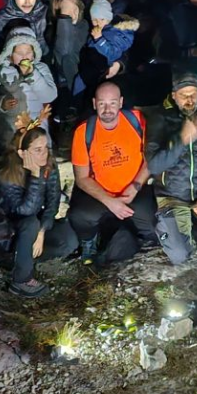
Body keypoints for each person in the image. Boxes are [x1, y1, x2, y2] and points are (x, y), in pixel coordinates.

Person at [67, 82, 158, 264]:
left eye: (112, 103)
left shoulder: (137, 120)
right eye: (102, 103)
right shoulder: (84, 131)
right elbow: (82, 178)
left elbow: (151, 159)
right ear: (94, 104)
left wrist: (135, 186)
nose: (107, 109)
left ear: (121, 102)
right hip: (101, 193)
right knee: (80, 215)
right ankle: (88, 242)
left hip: (134, 189)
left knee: (150, 223)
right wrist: (110, 201)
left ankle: (143, 246)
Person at [145, 71, 197, 265]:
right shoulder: (160, 117)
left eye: (193, 93)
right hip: (172, 196)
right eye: (184, 95)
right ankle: (185, 227)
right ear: (174, 95)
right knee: (180, 256)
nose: (189, 99)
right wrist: (181, 140)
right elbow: (154, 165)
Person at [0, 124, 78, 296]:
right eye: (37, 150)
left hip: (35, 227)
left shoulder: (49, 165)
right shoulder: (7, 174)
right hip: (9, 232)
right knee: (30, 223)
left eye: (45, 148)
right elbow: (24, 210)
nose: (44, 153)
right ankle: (21, 279)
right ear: (22, 153)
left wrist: (42, 232)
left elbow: (53, 201)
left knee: (69, 241)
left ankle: (22, 259)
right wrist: (35, 176)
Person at [0, 26, 58, 150]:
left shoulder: (41, 69)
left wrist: (32, 75)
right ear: (10, 54)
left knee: (40, 159)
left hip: (38, 127)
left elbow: (50, 95)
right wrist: (1, 103)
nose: (24, 57)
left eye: (28, 52)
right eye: (19, 53)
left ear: (34, 53)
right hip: (10, 132)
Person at [71, 0, 139, 98]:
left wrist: (99, 39)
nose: (97, 23)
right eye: (94, 20)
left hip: (101, 71)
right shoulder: (101, 30)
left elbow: (113, 54)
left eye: (101, 19)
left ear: (109, 18)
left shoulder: (115, 34)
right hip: (90, 66)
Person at [52, 0, 90, 106]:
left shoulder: (84, 25)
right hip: (61, 84)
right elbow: (64, 50)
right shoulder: (51, 29)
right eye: (66, 4)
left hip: (82, 81)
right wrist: (65, 18)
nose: (71, 7)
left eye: (74, 2)